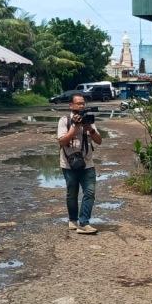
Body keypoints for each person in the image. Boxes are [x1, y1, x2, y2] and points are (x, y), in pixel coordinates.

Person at [57, 94, 103, 235]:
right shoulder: (65, 120)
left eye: (83, 103)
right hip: (69, 163)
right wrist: (74, 127)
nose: (81, 106)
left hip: (87, 162)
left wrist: (91, 129)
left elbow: (99, 141)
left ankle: (84, 222)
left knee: (90, 192)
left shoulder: (88, 119)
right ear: (71, 105)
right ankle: (72, 220)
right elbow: (62, 141)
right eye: (78, 103)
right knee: (72, 193)